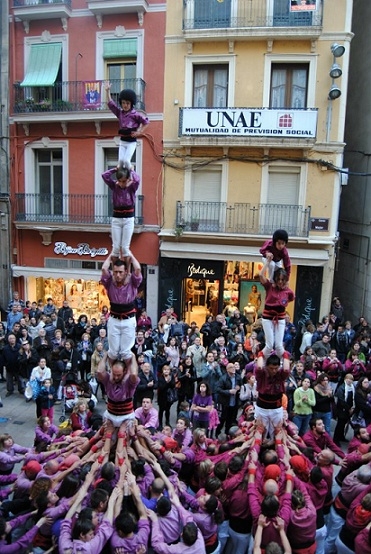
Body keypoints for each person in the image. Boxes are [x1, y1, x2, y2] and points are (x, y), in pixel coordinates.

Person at [97, 351, 139, 465]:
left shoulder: (129, 382)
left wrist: (133, 357)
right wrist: (106, 354)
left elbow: (134, 374)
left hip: (126, 417)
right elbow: (99, 371)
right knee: (104, 443)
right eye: (114, 374)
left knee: (122, 447)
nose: (116, 377)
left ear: (124, 371)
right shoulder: (108, 379)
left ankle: (120, 465)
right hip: (110, 416)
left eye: (118, 375)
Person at [101, 253, 142, 366]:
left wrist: (130, 254)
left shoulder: (132, 282)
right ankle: (112, 373)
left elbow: (137, 268)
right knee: (113, 352)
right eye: (115, 272)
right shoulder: (110, 282)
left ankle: (128, 372)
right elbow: (104, 268)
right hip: (114, 320)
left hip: (128, 320)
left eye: (120, 272)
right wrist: (111, 254)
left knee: (126, 352)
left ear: (125, 272)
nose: (118, 275)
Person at [102, 165, 140, 267]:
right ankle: (115, 269)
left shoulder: (132, 187)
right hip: (116, 219)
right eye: (120, 181)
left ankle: (127, 271)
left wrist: (131, 170)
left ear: (128, 180)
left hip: (128, 219)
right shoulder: (114, 186)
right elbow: (104, 176)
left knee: (125, 248)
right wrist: (115, 169)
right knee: (115, 248)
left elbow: (137, 180)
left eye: (124, 181)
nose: (122, 183)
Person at [104, 83, 149, 170]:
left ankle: (132, 174)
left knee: (126, 161)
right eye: (123, 103)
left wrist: (139, 132)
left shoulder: (135, 114)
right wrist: (108, 91)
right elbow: (111, 104)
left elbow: (146, 122)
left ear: (131, 104)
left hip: (131, 142)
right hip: (123, 141)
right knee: (120, 162)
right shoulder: (120, 113)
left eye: (127, 103)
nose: (125, 105)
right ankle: (121, 179)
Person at [259, 259, 295, 359]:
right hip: (267, 318)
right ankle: (262, 360)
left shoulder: (288, 291)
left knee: (279, 345)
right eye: (278, 279)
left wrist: (285, 290)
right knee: (269, 345)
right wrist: (267, 262)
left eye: (282, 280)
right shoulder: (269, 287)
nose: (280, 282)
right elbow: (261, 275)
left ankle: (283, 363)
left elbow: (291, 299)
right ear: (275, 279)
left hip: (280, 318)